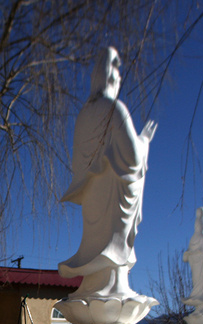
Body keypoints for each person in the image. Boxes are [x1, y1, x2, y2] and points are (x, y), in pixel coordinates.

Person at [58, 46, 156, 299]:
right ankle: (111, 288)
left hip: (93, 197)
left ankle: (95, 286)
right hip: (112, 194)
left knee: (96, 242)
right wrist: (144, 141)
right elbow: (133, 159)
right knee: (109, 248)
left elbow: (77, 163)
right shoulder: (114, 108)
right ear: (112, 75)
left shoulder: (83, 116)